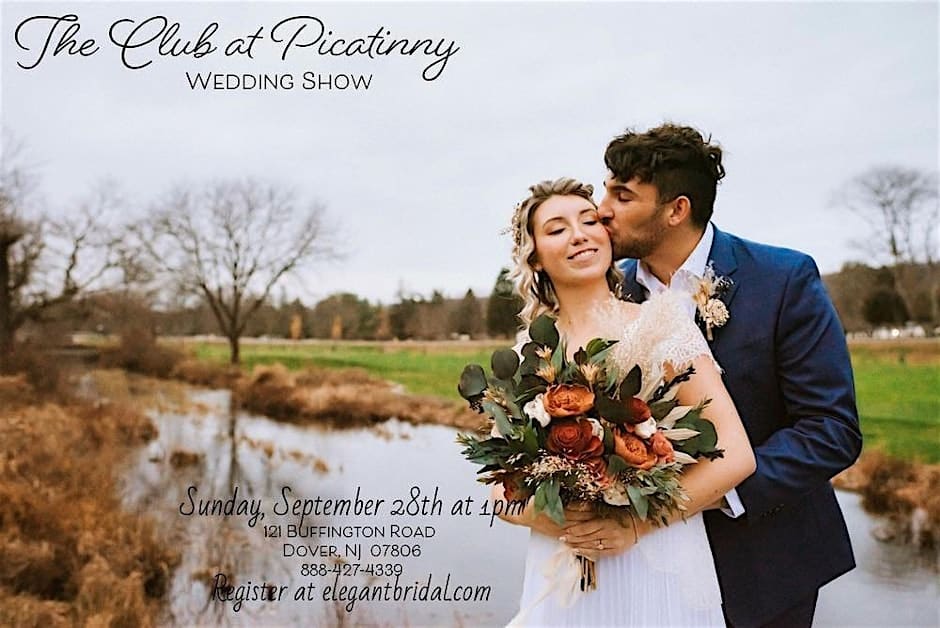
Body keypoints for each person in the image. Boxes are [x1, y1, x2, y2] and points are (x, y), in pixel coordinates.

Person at [596, 124, 863, 627]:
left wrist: (703, 493)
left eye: (622, 195)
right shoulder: (607, 297)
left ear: (676, 209)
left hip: (765, 565)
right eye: (606, 188)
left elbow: (831, 431)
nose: (601, 208)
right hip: (642, 571)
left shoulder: (783, 280)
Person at [496, 177, 757, 626]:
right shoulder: (530, 351)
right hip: (563, 571)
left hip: (655, 558)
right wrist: (560, 519)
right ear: (534, 254)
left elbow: (736, 455)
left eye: (589, 220)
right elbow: (499, 489)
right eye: (557, 228)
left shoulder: (662, 325)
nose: (579, 234)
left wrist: (633, 525)